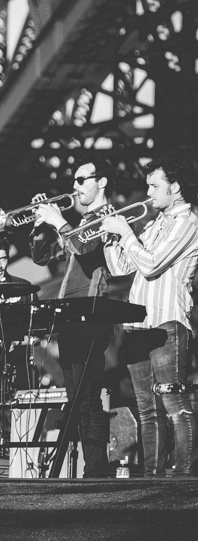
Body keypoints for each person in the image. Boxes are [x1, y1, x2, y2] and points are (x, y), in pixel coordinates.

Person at [101, 155, 198, 477]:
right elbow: (120, 269)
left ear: (176, 187)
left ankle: (183, 480)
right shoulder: (155, 223)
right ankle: (150, 481)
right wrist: (110, 238)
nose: (148, 192)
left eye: (155, 185)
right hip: (139, 326)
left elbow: (152, 263)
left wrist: (126, 232)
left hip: (167, 323)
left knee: (175, 407)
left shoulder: (188, 222)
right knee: (147, 411)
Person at [30, 157, 117, 477]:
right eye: (75, 180)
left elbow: (83, 247)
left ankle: (97, 467)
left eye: (82, 180)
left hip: (91, 311)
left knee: (87, 394)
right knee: (76, 396)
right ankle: (91, 465)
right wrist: (41, 224)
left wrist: (59, 221)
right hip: (68, 315)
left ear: (101, 182)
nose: (75, 186)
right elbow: (42, 258)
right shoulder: (77, 223)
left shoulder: (108, 215)